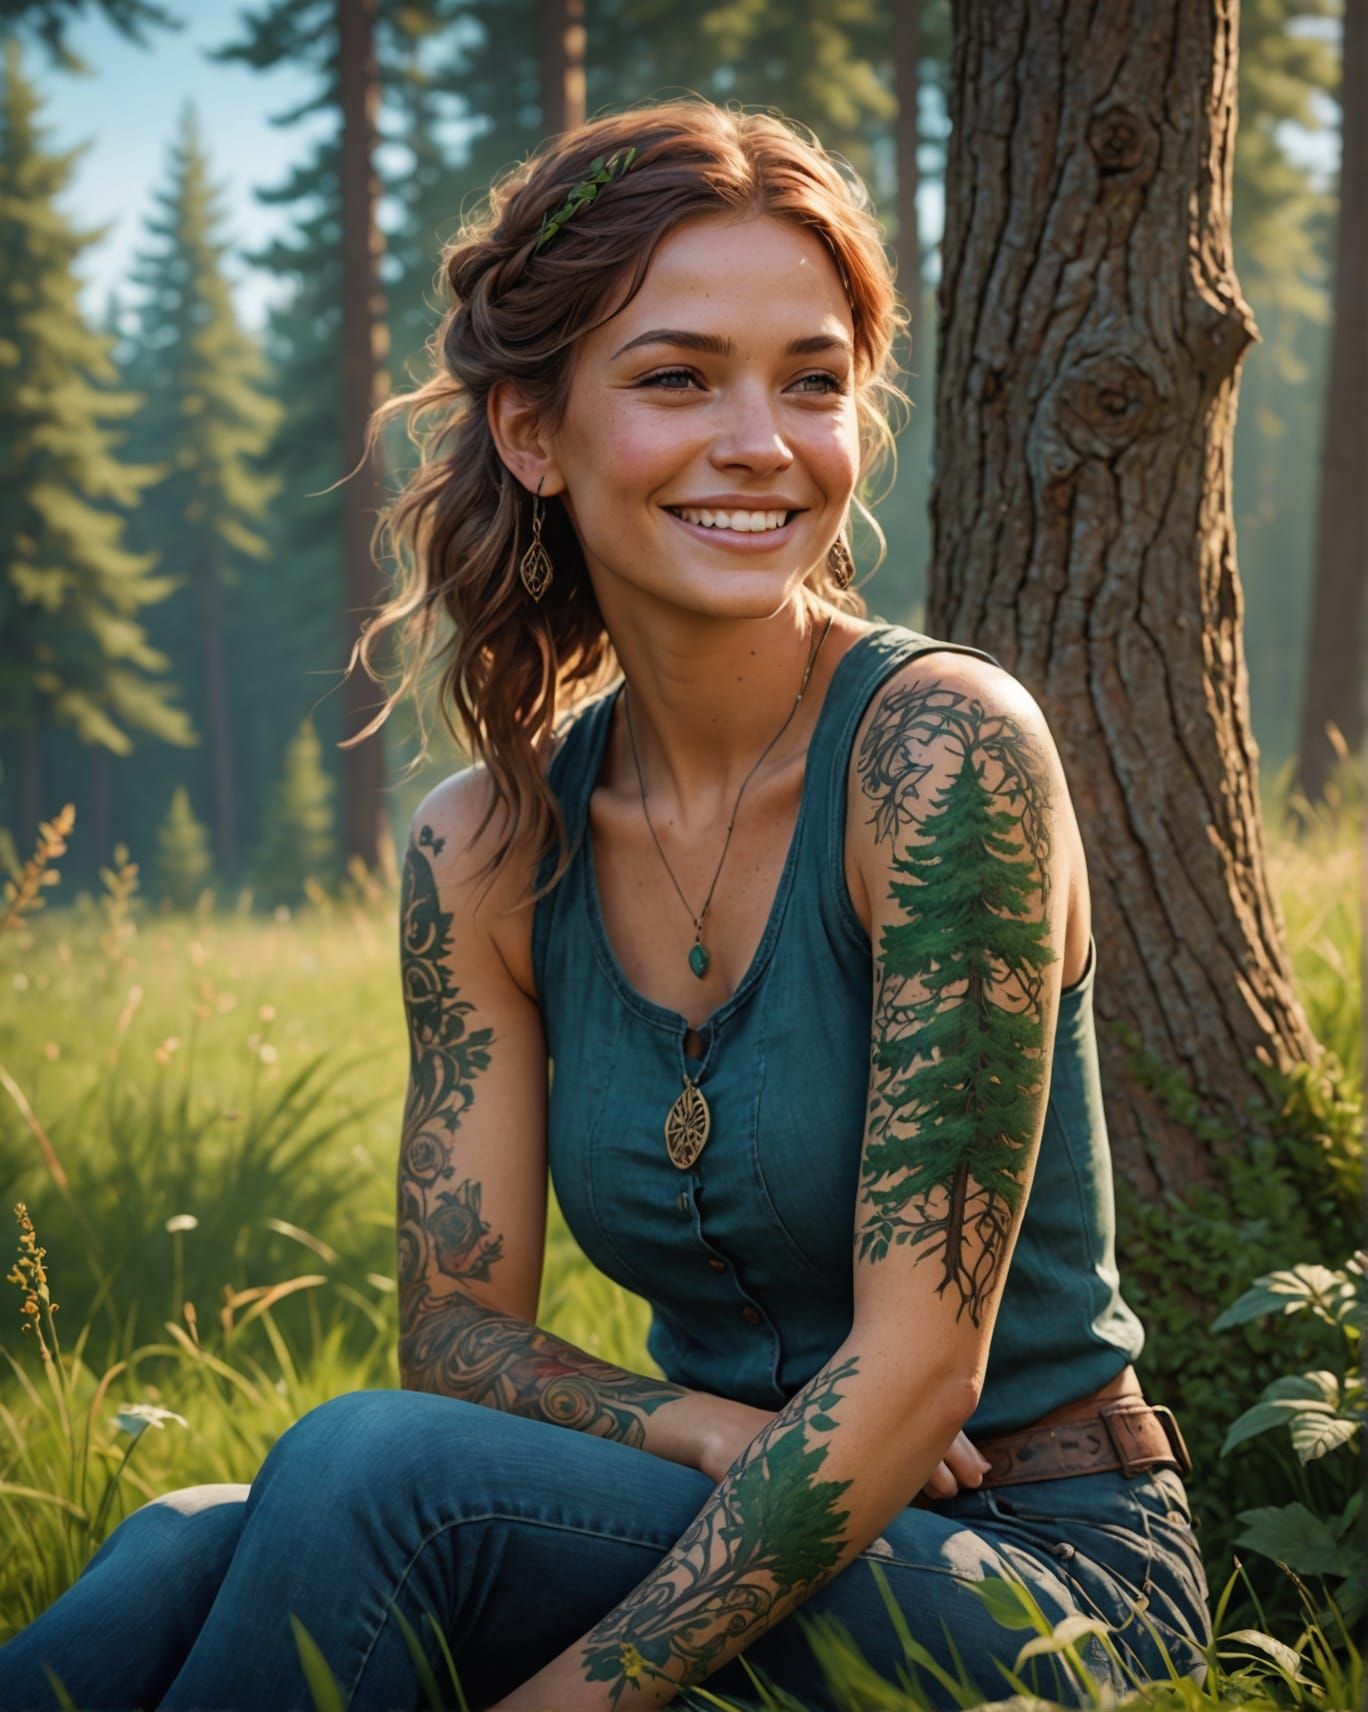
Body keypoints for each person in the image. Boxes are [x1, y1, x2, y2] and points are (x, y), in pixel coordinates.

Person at [0, 97, 1214, 1712]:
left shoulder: (939, 757)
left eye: (812, 382)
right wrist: (697, 1425)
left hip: (1037, 1565)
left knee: (375, 1472)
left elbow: (925, 1367)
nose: (760, 444)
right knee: (174, 1542)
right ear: (530, 431)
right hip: (727, 1509)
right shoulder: (488, 847)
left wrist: (564, 1700)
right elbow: (459, 1338)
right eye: (674, 377)